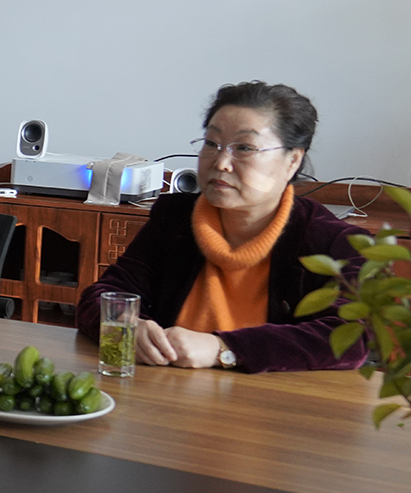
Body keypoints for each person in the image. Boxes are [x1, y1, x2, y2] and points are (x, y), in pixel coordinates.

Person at [79, 82, 364, 372]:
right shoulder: (174, 218)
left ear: (292, 161)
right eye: (211, 144)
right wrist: (126, 325)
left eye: (244, 148)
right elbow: (103, 295)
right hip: (168, 392)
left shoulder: (333, 241)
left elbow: (354, 335)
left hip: (271, 399)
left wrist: (225, 349)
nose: (221, 162)